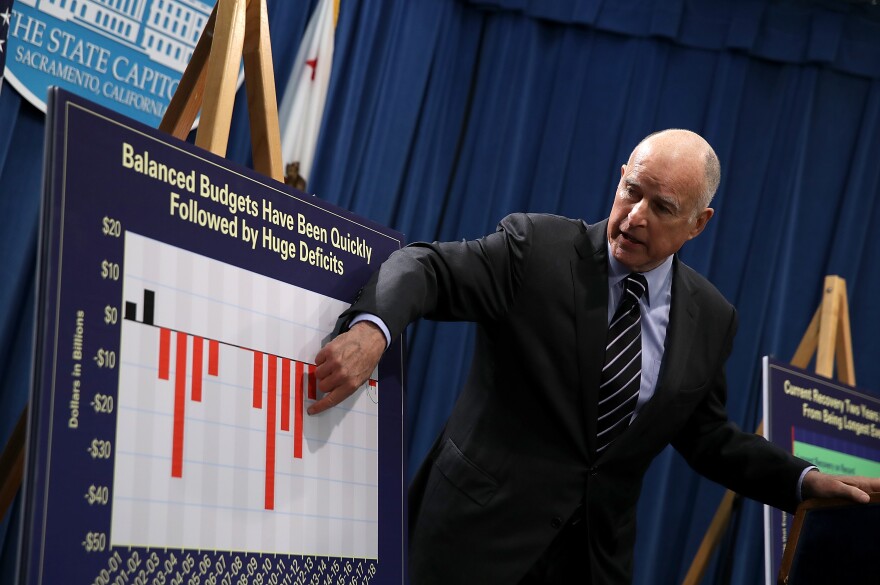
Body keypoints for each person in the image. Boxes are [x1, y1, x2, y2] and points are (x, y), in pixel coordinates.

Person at [308, 129, 880, 584]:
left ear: (698, 224)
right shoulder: (536, 249)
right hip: (472, 542)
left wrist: (802, 480)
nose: (634, 217)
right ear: (620, 177)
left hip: (590, 563)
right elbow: (425, 267)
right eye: (632, 191)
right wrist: (374, 329)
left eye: (662, 207)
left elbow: (709, 438)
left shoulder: (711, 318)